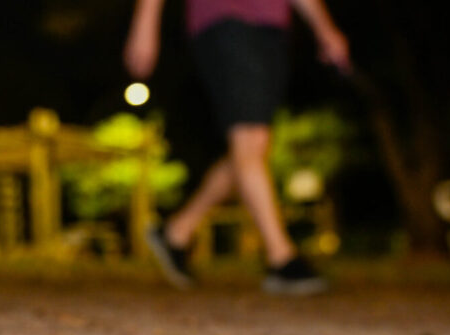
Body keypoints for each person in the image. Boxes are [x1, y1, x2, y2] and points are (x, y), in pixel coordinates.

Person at [124, 0, 350, 294]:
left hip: (272, 28)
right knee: (250, 140)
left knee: (254, 148)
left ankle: (176, 232)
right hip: (225, 18)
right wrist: (146, 21)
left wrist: (324, 27)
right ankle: (281, 257)